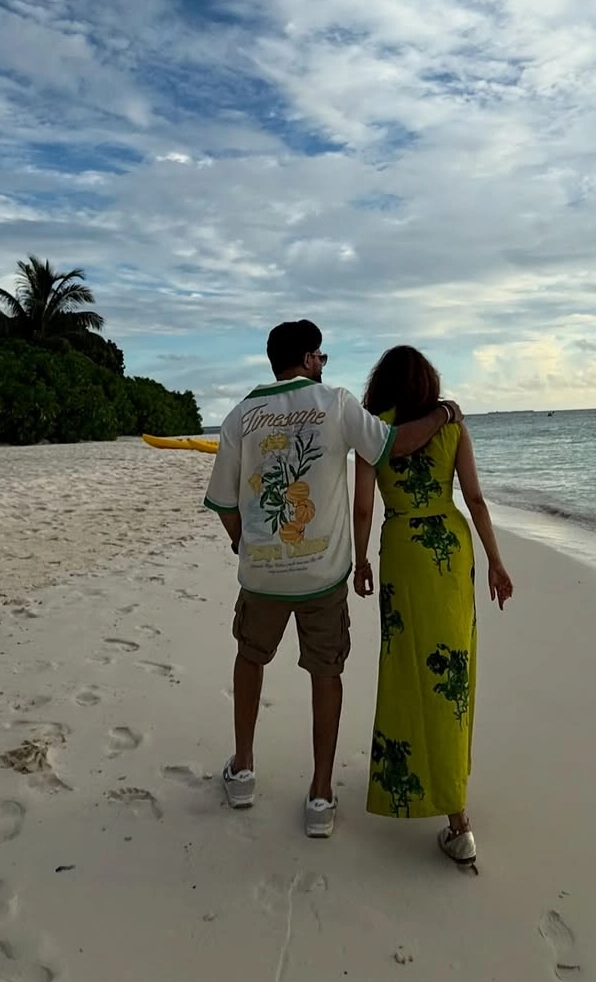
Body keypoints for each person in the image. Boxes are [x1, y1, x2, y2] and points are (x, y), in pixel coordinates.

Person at [204, 320, 463, 839]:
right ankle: (321, 794)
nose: (324, 363)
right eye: (319, 355)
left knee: (250, 657)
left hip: (262, 576)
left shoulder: (240, 416)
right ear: (304, 359)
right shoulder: (337, 403)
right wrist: (442, 414)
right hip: (322, 576)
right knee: (326, 672)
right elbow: (395, 444)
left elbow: (224, 502)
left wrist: (243, 543)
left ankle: (244, 768)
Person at [352, 346, 512, 866]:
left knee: (406, 669)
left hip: (402, 548)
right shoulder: (452, 427)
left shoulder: (374, 430)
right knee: (453, 672)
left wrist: (360, 561)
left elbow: (362, 506)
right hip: (448, 547)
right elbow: (476, 499)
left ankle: (414, 788)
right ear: (429, 383)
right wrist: (495, 560)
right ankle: (456, 816)